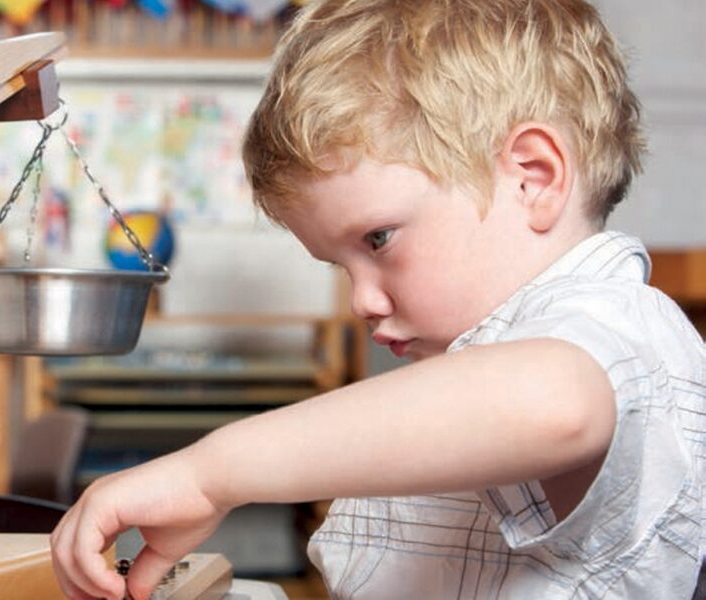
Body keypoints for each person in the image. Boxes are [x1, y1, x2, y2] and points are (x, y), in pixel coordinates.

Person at [50, 0, 706, 598]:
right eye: (339, 265)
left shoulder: (617, 324)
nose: (362, 299)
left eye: (378, 239)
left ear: (533, 179)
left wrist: (211, 472)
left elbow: (554, 405)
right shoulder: (471, 374)